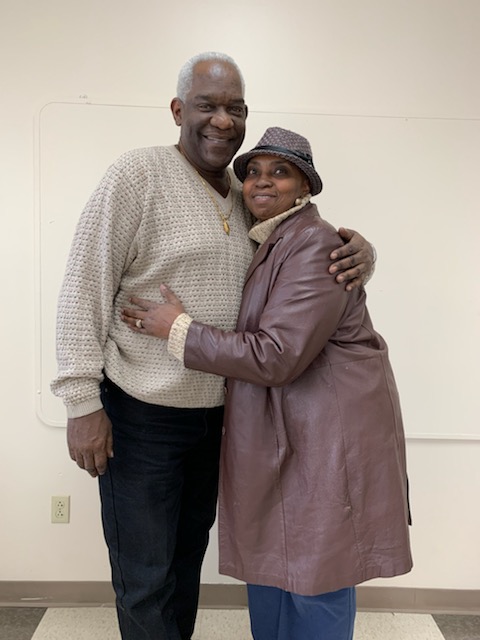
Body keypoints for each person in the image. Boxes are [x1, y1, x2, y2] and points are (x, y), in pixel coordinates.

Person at [51, 52, 376, 640]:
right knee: (145, 576)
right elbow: (82, 286)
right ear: (179, 110)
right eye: (208, 106)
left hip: (221, 417)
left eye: (236, 109)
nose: (223, 121)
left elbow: (301, 256)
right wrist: (81, 402)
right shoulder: (137, 175)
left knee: (183, 566)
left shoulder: (245, 194)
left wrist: (361, 252)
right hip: (143, 415)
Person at [121, 127, 412, 640]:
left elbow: (277, 355)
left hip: (325, 436)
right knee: (277, 568)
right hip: (287, 430)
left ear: (305, 188)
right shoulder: (269, 237)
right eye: (253, 171)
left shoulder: (314, 245)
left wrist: (178, 329)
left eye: (280, 172)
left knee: (318, 573)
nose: (262, 181)